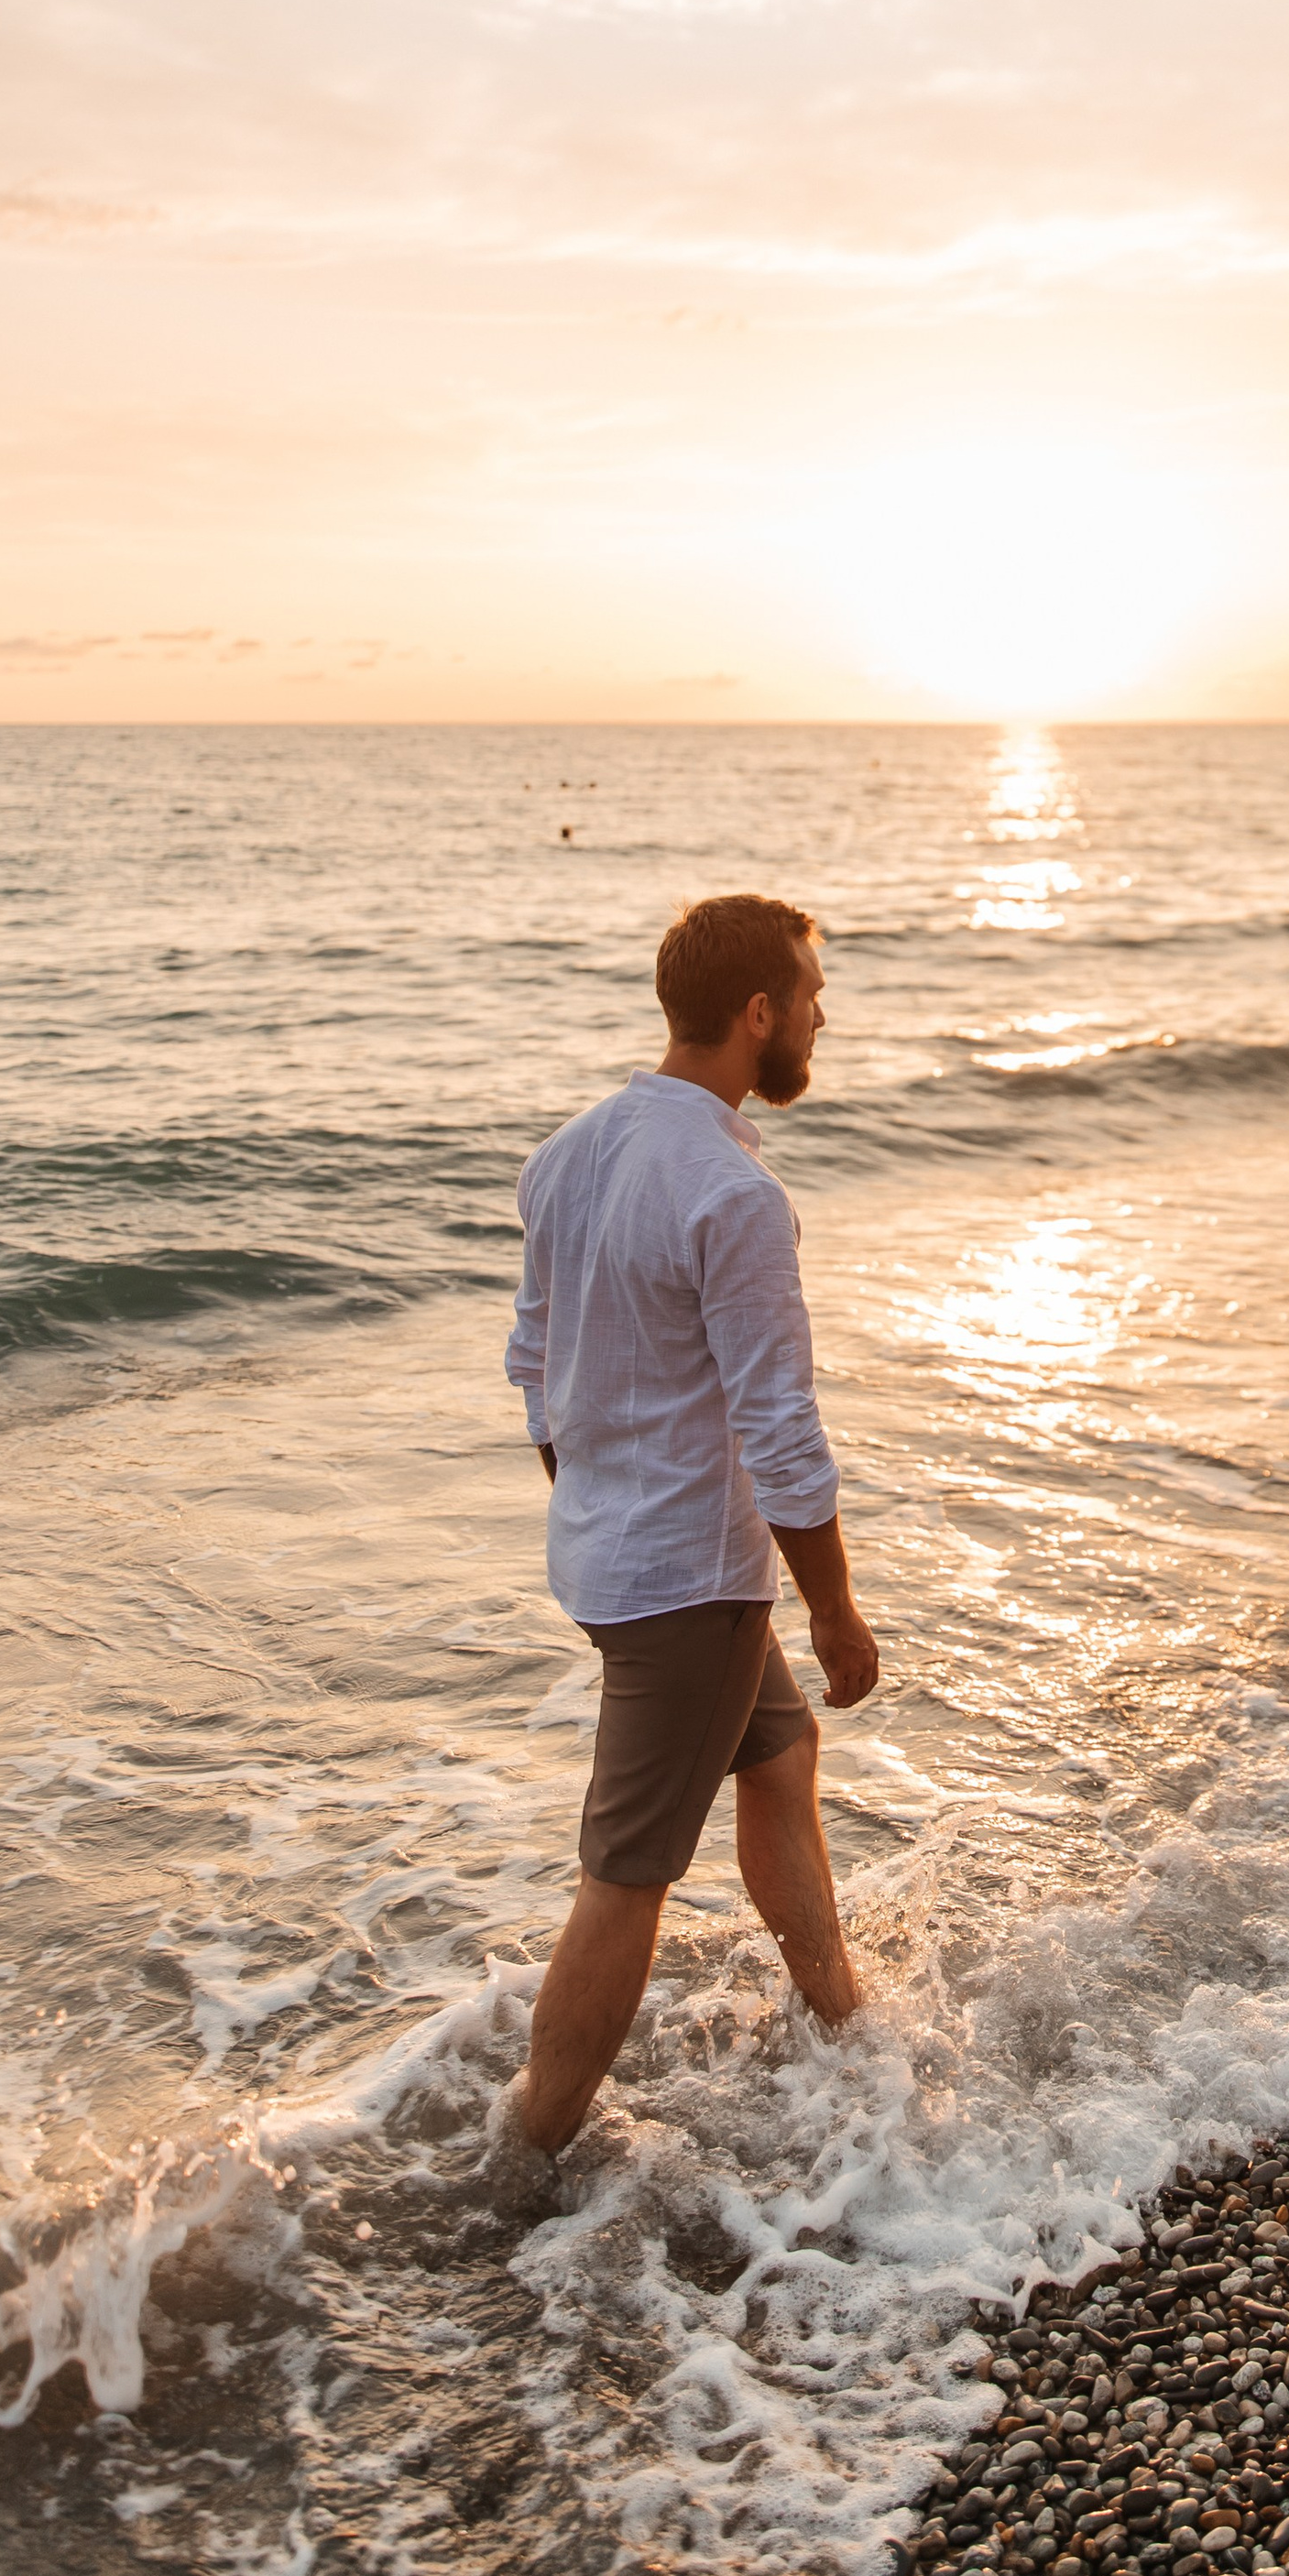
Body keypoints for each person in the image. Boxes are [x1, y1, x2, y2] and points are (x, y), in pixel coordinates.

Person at [499, 890, 879, 2161]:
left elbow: (534, 1367)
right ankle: (529, 2149)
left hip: (617, 1560)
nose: (820, 1017)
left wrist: (604, 1502)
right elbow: (781, 1427)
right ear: (758, 1010)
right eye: (811, 998)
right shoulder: (732, 1191)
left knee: (778, 1760)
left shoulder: (569, 1152)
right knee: (627, 1875)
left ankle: (840, 2017)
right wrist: (832, 1606)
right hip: (693, 1589)